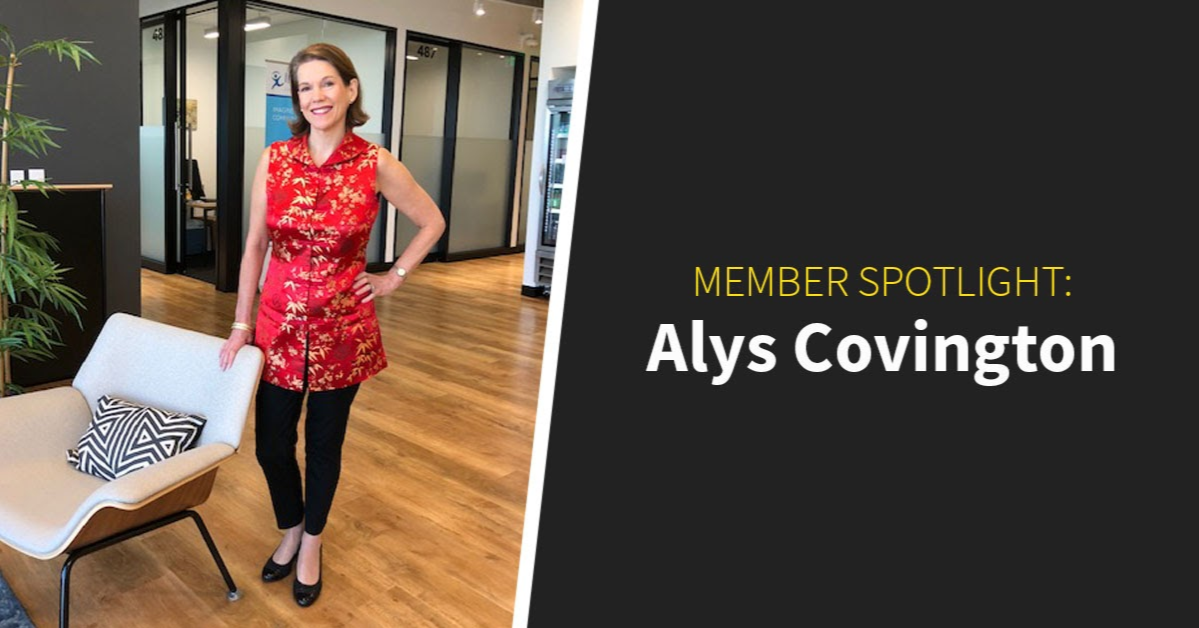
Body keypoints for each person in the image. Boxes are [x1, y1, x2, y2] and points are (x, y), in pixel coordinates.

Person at [218, 42, 445, 608]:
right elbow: (254, 245)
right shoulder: (275, 159)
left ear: (350, 89)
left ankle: (311, 543)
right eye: (305, 87)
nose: (316, 96)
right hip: (277, 326)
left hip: (345, 330)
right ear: (296, 98)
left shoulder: (376, 163)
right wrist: (240, 323)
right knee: (272, 445)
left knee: (323, 445)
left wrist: (394, 276)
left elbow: (431, 220)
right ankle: (289, 526)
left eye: (326, 84)